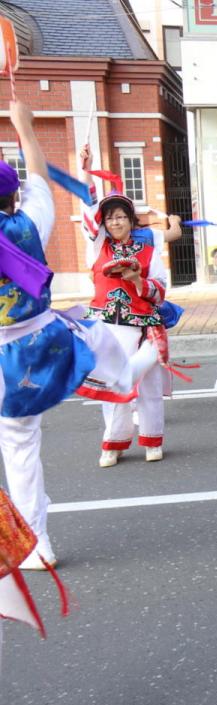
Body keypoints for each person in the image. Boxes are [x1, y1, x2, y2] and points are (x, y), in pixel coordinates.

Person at [0, 102, 143, 567]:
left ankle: (37, 544)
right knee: (103, 345)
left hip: (4, 359)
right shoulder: (28, 224)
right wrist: (25, 128)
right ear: (13, 198)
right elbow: (39, 178)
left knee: (20, 450)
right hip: (44, 340)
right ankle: (130, 373)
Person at [77, 192, 172, 466]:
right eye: (110, 218)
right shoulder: (97, 246)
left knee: (149, 387)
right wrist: (87, 180)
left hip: (142, 328)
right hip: (107, 328)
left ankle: (153, 440)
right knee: (113, 386)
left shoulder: (148, 252)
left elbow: (160, 291)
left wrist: (138, 280)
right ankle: (113, 442)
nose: (115, 222)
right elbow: (88, 217)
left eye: (120, 217)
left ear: (131, 220)